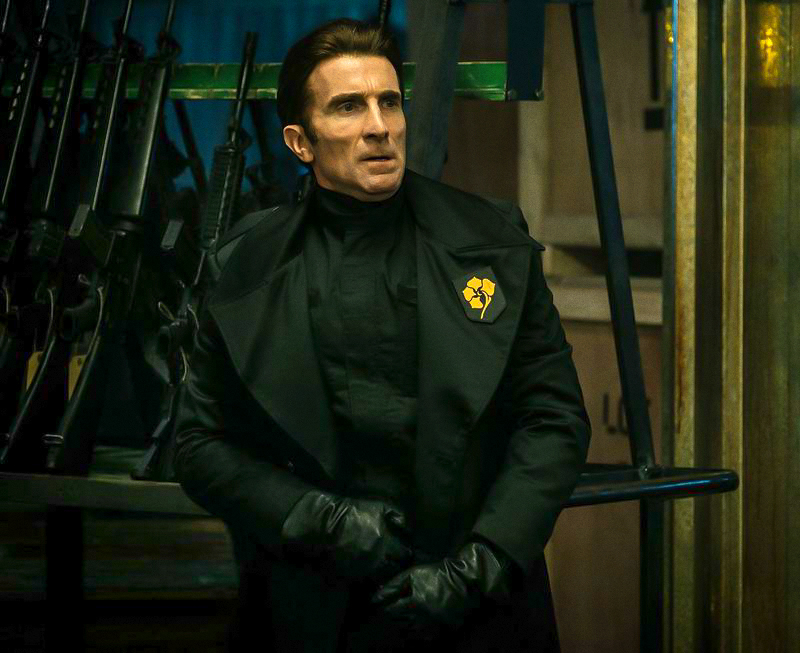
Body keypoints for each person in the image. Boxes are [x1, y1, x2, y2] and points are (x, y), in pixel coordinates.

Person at [173, 17, 590, 653]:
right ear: (301, 142)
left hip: (478, 609)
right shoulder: (245, 266)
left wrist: (481, 565)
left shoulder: (490, 242)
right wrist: (320, 519)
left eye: (389, 102)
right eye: (348, 106)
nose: (379, 126)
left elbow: (555, 419)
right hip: (311, 607)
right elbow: (200, 445)